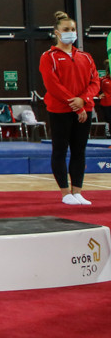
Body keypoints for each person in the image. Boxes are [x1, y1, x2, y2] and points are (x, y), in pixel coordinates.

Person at [40, 11, 99, 205]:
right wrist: (74, 103)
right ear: (57, 33)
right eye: (66, 29)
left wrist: (83, 100)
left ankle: (78, 191)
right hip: (60, 111)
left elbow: (95, 82)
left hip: (84, 109)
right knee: (60, 150)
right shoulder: (49, 57)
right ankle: (65, 192)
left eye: (73, 29)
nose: (71, 32)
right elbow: (52, 84)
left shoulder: (86, 57)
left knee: (79, 151)